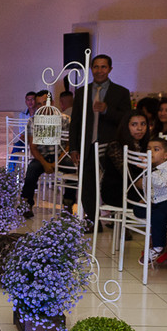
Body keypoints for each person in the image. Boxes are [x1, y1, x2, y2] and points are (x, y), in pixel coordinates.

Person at [67, 53, 132, 220]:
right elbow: (75, 122)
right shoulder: (82, 92)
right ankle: (93, 220)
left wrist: (106, 110)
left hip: (110, 147)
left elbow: (126, 120)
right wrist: (73, 147)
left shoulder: (121, 92)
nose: (99, 70)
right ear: (91, 69)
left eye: (103, 67)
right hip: (87, 146)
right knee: (87, 185)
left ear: (110, 69)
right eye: (96, 67)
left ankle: (116, 219)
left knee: (112, 185)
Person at [135, 136, 167, 267]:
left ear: (166, 155)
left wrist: (148, 169)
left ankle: (158, 247)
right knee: (138, 209)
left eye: (156, 149)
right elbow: (147, 187)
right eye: (148, 149)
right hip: (157, 201)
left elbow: (160, 183)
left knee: (157, 216)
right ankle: (165, 223)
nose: (150, 152)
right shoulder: (149, 168)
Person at [100, 110, 151, 208]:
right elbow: (129, 176)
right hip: (118, 192)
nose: (140, 128)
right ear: (126, 127)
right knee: (160, 201)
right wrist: (153, 189)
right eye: (134, 124)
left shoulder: (142, 145)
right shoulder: (116, 146)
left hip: (135, 188)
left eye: (143, 124)